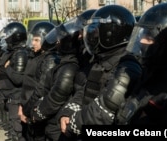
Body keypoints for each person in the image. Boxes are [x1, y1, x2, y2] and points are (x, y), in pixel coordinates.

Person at [57, 5, 142, 139]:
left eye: (96, 31)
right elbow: (83, 92)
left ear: (110, 33)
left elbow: (103, 112)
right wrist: (67, 112)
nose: (91, 36)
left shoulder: (127, 66)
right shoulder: (100, 60)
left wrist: (73, 123)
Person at [29, 9, 97, 141]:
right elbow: (81, 93)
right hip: (62, 123)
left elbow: (57, 97)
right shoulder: (83, 61)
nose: (79, 36)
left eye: (82, 32)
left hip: (62, 125)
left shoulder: (79, 65)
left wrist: (38, 112)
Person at [18, 21, 56, 141]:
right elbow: (27, 85)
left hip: (37, 113)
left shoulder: (49, 60)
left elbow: (41, 90)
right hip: (28, 110)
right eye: (32, 39)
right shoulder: (36, 57)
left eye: (36, 40)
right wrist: (21, 105)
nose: (32, 43)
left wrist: (26, 110)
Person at [0, 22, 28, 141]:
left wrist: (7, 67)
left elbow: (18, 79)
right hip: (10, 95)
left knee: (18, 128)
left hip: (16, 96)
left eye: (8, 34)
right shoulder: (12, 52)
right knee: (13, 124)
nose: (6, 37)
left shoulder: (20, 54)